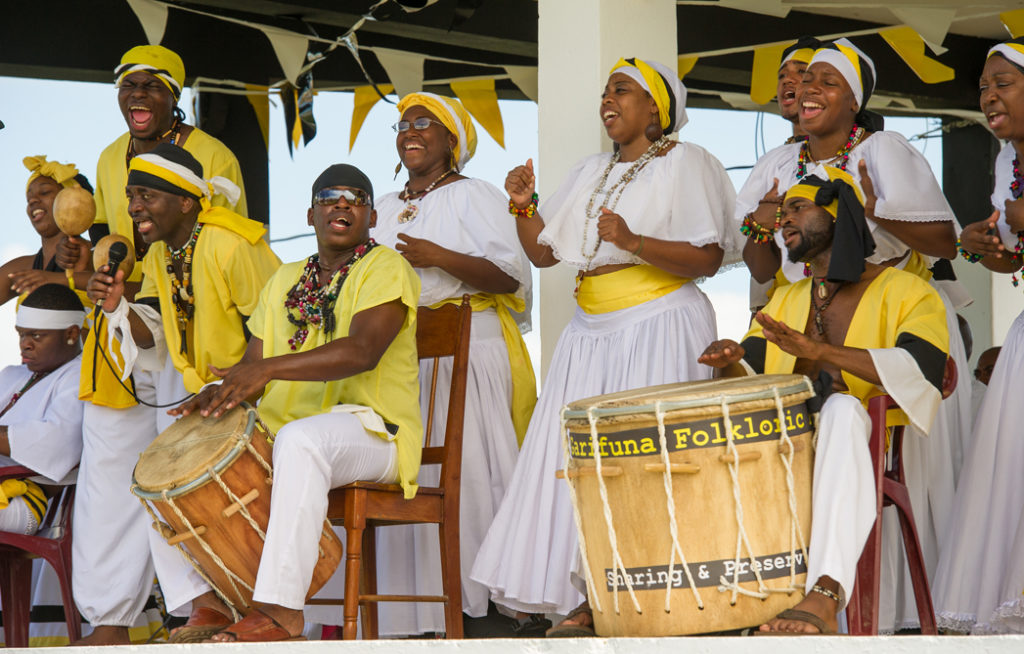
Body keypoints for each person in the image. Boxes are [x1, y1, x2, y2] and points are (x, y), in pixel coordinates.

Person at [470, 57, 737, 631]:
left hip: (658, 320)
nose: (607, 100)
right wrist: (523, 207)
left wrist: (635, 240)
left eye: (622, 89)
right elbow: (543, 253)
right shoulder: (592, 169)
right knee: (576, 467)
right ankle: (586, 595)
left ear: (657, 107)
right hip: (589, 333)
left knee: (644, 465)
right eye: (605, 92)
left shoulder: (687, 162)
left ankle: (637, 596)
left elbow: (710, 257)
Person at [735, 37, 967, 633]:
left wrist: (865, 210)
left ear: (855, 100)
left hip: (882, 324)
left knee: (847, 415)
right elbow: (764, 273)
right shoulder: (785, 168)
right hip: (805, 317)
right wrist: (762, 225)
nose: (806, 88)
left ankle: (848, 600)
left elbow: (944, 241)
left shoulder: (882, 149)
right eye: (801, 78)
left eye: (826, 81)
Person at [142, 163, 421, 643]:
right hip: (287, 436)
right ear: (310, 213)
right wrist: (221, 394)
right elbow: (254, 367)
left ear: (372, 217)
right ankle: (205, 602)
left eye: (355, 198)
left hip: (375, 432)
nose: (341, 204)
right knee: (165, 464)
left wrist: (267, 369)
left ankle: (280, 612)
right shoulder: (286, 279)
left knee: (299, 441)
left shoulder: (386, 267)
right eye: (329, 196)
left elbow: (362, 351)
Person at [700, 168, 949, 633]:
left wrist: (820, 353)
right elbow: (750, 374)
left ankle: (826, 592)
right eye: (782, 212)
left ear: (838, 214)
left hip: (861, 440)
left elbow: (924, 371)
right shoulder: (784, 300)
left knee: (840, 410)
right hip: (776, 446)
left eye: (798, 208)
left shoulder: (908, 291)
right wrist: (728, 361)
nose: (784, 220)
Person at [74, 144, 277, 646]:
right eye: (130, 196)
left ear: (187, 201)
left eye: (146, 195)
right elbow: (160, 337)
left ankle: (259, 605)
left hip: (268, 388)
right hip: (211, 391)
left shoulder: (232, 244)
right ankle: (203, 602)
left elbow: (277, 320)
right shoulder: (163, 254)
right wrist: (119, 307)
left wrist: (240, 383)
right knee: (156, 479)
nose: (134, 207)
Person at [362, 92, 533, 634]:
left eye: (424, 123)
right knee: (410, 480)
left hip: (468, 351)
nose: (410, 131)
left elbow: (510, 278)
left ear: (452, 140)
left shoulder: (475, 195)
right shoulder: (381, 205)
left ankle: (481, 609)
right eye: (403, 123)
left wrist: (438, 256)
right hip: (397, 362)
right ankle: (413, 614)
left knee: (473, 478)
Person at [933, 36, 1024, 634]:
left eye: (1003, 84)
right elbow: (1012, 261)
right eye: (984, 88)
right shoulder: (1004, 162)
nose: (988, 97)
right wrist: (982, 245)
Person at [0, 285, 85, 646]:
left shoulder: (82, 377)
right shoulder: (12, 375)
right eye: (22, 335)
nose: (25, 345)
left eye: (37, 336)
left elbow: (58, 444)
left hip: (29, 503)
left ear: (70, 335)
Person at [1, 157, 93, 307]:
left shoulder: (97, 254)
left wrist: (61, 279)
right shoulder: (22, 266)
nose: (32, 201)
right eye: (28, 198)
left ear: (75, 200)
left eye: (44, 192)